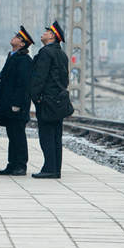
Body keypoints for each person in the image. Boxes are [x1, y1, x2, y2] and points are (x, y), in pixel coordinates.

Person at [30, 20, 69, 178]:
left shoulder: (46, 52)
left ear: (52, 36)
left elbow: (39, 77)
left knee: (46, 135)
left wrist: (35, 96)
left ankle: (49, 169)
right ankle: (55, 168)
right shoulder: (62, 54)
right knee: (56, 136)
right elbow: (65, 79)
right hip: (59, 99)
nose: (43, 34)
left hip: (46, 100)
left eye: (46, 32)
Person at [0, 26, 34, 176]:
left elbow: (23, 85)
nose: (14, 38)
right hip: (9, 104)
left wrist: (17, 104)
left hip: (17, 106)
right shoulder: (13, 56)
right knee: (12, 135)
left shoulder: (24, 60)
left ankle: (21, 165)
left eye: (18, 37)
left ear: (22, 44)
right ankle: (12, 164)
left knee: (18, 136)